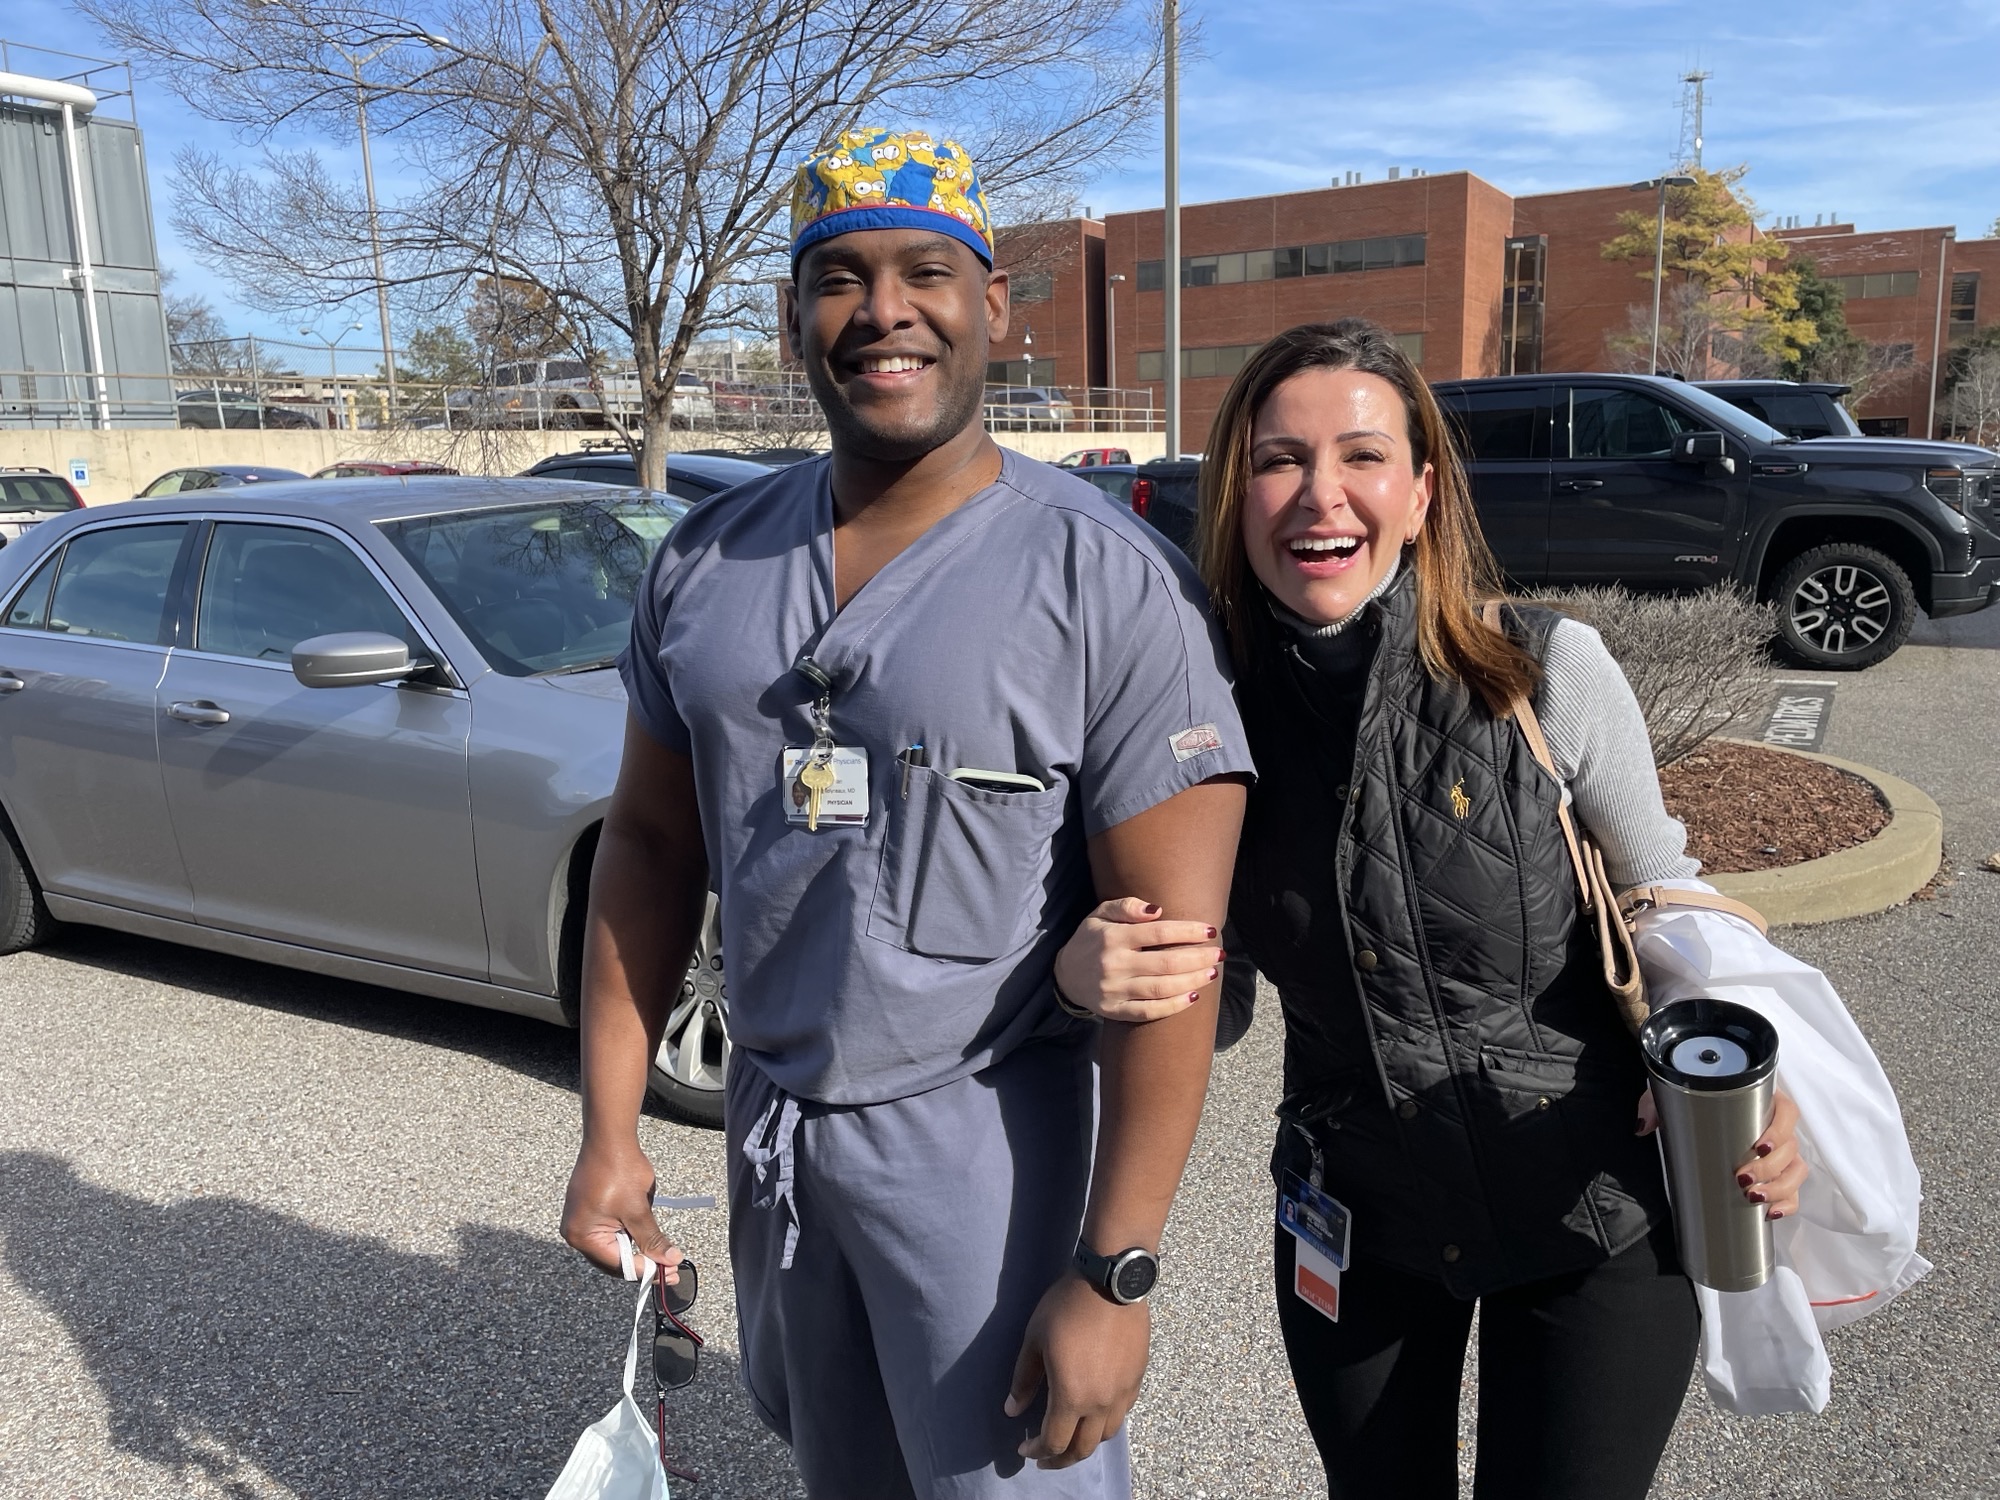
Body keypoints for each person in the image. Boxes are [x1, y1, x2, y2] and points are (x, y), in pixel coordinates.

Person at [559, 127, 1252, 1500]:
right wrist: (611, 1128)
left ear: (993, 304)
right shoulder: (706, 562)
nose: (884, 311)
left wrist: (1116, 1270)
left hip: (986, 1145)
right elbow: (646, 844)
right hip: (778, 1134)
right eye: (840, 276)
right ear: (792, 316)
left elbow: (1170, 958)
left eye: (927, 270)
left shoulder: (1106, 581)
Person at [1050, 320, 1808, 1500]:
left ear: (1418, 491)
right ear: (1233, 496)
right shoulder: (1201, 722)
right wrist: (1090, 972)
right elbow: (1219, 995)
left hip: (1590, 1210)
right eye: (1275, 460)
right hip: (1355, 1218)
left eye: (1359, 457)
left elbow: (1668, 899)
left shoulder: (1542, 669)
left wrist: (1743, 1077)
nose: (1318, 496)